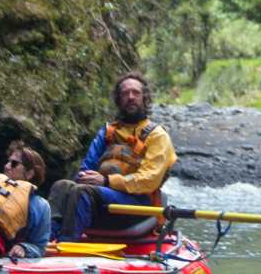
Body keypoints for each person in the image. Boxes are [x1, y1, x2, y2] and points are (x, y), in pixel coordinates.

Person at [48, 72, 176, 241]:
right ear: (118, 100)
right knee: (62, 186)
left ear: (144, 98)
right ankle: (48, 240)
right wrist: (85, 177)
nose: (130, 97)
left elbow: (149, 181)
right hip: (102, 202)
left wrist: (107, 181)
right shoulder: (108, 132)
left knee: (83, 190)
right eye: (125, 93)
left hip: (137, 206)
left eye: (136, 93)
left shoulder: (157, 136)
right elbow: (87, 167)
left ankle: (67, 245)